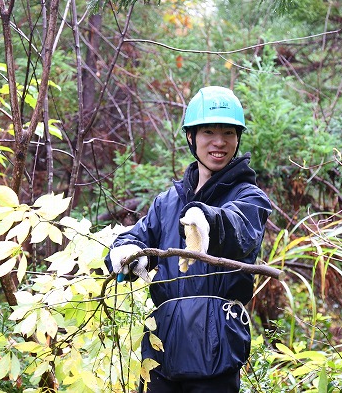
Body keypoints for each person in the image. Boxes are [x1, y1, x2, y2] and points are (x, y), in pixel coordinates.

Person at [105, 85, 272, 392]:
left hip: (216, 350)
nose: (219, 142)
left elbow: (238, 228)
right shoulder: (168, 202)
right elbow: (137, 238)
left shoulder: (249, 197)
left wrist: (207, 221)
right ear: (191, 137)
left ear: (238, 138)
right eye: (208, 131)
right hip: (161, 351)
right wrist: (126, 253)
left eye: (229, 133)